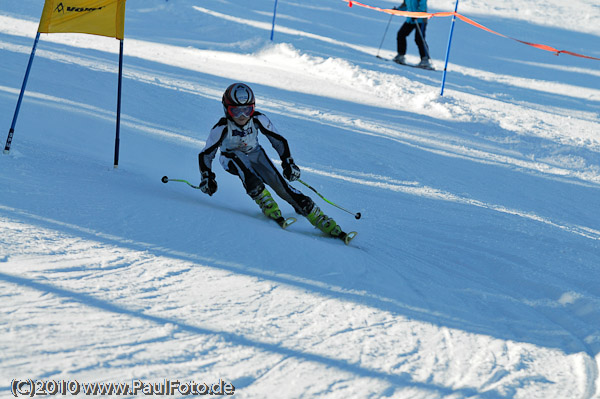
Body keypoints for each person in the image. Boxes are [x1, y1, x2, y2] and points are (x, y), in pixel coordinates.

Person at [198, 82, 353, 242]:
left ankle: (315, 215)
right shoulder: (221, 127)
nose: (242, 116)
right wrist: (207, 176)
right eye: (236, 111)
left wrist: (288, 162)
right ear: (226, 109)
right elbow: (206, 154)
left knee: (281, 185)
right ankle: (262, 197)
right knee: (244, 169)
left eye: (247, 110)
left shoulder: (258, 119)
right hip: (230, 157)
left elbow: (278, 140)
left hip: (254, 153)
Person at [393, 0, 433, 69]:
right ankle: (401, 56)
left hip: (420, 20)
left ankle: (425, 60)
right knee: (401, 34)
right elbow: (405, 6)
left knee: (419, 39)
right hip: (410, 19)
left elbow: (423, 6)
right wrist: (397, 10)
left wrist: (417, 14)